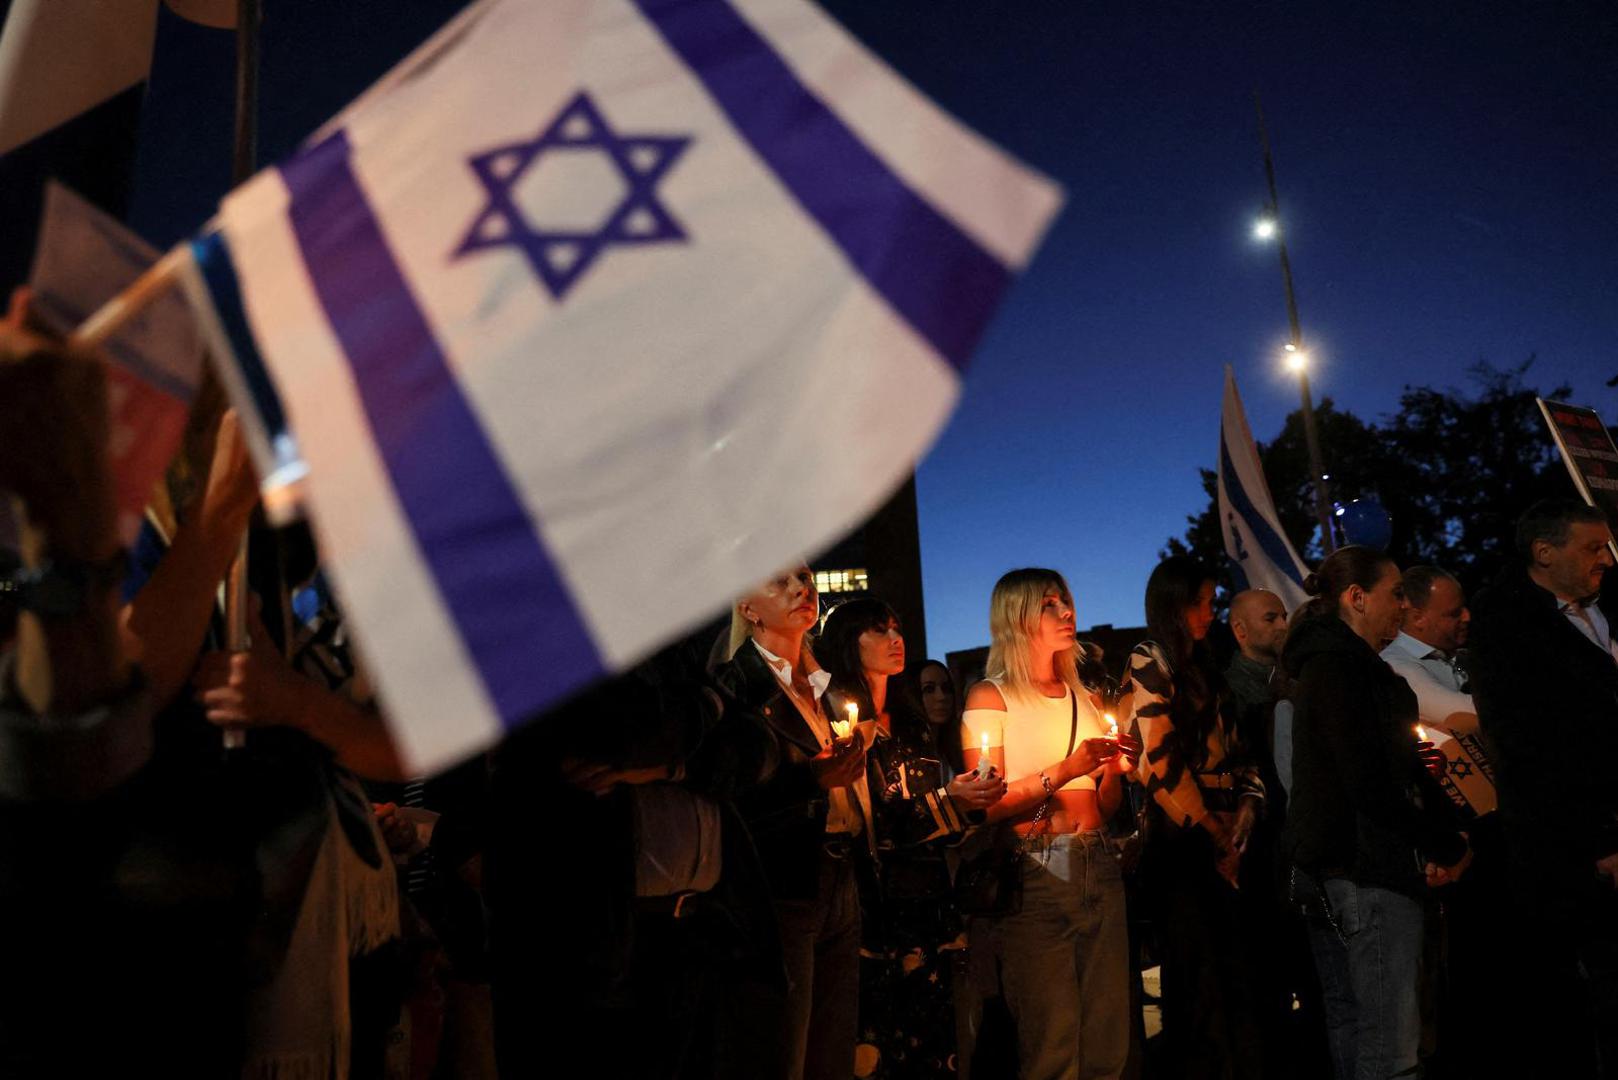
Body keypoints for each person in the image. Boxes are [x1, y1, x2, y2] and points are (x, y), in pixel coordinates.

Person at [1281, 545, 1471, 1080]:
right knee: (1389, 1047)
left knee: (1356, 1030)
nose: (1403, 606)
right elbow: (1369, 780)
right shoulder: (1341, 672)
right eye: (1394, 594)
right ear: (1356, 598)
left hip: (1339, 869)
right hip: (1367, 873)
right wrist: (1446, 844)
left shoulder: (1343, 669)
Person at [961, 568, 1138, 1080]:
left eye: (1067, 602)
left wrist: (1114, 772)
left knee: (1107, 1038)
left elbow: (1100, 807)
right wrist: (1066, 769)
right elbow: (985, 806)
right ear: (1016, 618)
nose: (1067, 613)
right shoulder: (989, 698)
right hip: (1037, 870)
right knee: (1052, 1040)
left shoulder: (1083, 695)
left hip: (1098, 860)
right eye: (1050, 605)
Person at [816, 599, 1004, 1079]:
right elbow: (871, 823)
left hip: (927, 909)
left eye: (897, 628)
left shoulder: (911, 723)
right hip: (872, 912)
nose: (894, 640)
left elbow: (929, 821)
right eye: (878, 632)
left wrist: (969, 801)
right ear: (846, 643)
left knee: (936, 1048)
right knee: (876, 1050)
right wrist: (948, 801)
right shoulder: (836, 721)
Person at [1468, 498, 1618, 1077]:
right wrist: (1600, 839)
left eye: (1606, 545)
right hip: (1571, 849)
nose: (1605, 558)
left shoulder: (1602, 609)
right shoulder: (1509, 628)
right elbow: (1534, 746)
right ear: (1544, 552)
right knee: (1595, 997)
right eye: (1592, 547)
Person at [709, 564, 870, 1080]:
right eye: (779, 581)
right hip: (781, 885)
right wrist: (812, 782)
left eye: (805, 577)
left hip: (842, 875)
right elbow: (726, 793)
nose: (804, 588)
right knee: (783, 1049)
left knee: (833, 1049)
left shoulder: (825, 687)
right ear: (747, 607)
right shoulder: (736, 686)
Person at [1124, 558, 1265, 1080]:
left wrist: (1247, 810)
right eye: (1199, 603)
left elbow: (1241, 749)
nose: (1209, 613)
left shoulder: (1211, 668)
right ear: (1172, 604)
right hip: (1184, 837)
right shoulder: (1149, 659)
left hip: (1231, 828)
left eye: (1211, 602)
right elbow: (1158, 754)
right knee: (1197, 973)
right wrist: (1210, 826)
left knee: (1238, 971)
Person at [1380, 565, 1503, 1080]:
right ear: (1415, 614)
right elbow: (1458, 712)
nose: (1466, 618)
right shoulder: (1395, 666)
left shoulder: (1458, 662)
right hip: (1449, 839)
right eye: (1453, 612)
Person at [904, 658, 966, 777]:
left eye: (946, 688)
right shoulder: (905, 756)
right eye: (929, 689)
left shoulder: (957, 750)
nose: (941, 697)